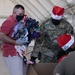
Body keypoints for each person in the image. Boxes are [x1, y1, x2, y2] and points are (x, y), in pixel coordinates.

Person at [0, 4, 28, 75]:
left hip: (18, 52)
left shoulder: (18, 22)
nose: (22, 15)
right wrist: (15, 42)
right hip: (11, 53)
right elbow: (1, 35)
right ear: (14, 13)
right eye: (20, 14)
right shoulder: (9, 21)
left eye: (23, 14)